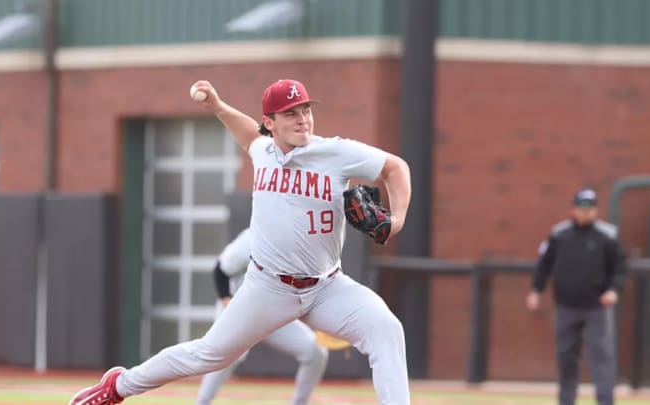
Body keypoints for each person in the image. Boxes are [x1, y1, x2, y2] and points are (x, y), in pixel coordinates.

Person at [69, 78, 412, 405]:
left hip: (327, 287)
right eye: (291, 113)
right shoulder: (262, 149)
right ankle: (118, 386)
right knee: (208, 355)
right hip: (269, 287)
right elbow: (247, 133)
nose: (303, 119)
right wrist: (218, 106)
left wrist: (396, 220)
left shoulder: (337, 152)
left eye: (306, 110)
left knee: (386, 329)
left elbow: (396, 168)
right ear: (271, 122)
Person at [196, 227, 328, 405]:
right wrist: (229, 307)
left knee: (315, 352)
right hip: (239, 309)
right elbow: (220, 270)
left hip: (272, 310)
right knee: (224, 357)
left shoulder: (302, 244)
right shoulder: (255, 236)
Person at [526, 188, 626, 405]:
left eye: (590, 208)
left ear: (596, 210)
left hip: (597, 306)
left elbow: (619, 268)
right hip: (566, 305)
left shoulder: (607, 235)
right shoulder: (560, 234)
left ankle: (605, 401)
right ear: (573, 209)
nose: (586, 213)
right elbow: (545, 264)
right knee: (566, 356)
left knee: (601, 357)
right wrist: (536, 289)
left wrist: (613, 290)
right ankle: (566, 401)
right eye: (582, 208)